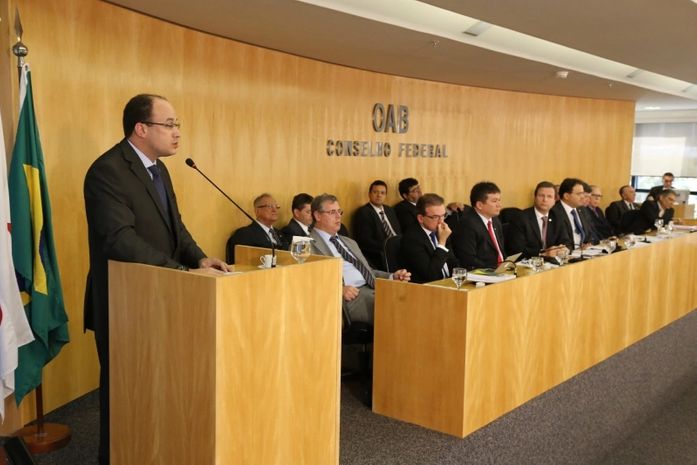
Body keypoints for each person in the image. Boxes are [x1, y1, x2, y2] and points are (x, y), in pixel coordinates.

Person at [83, 94, 230, 465]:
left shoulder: (159, 170)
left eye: (177, 125)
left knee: (160, 387)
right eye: (170, 124)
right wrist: (179, 272)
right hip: (125, 302)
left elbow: (175, 227)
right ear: (141, 128)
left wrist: (199, 258)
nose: (177, 132)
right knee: (124, 391)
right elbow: (119, 239)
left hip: (164, 298)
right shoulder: (108, 171)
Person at [309, 193, 410, 325]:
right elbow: (307, 283)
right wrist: (338, 289)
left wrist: (392, 277)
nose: (338, 216)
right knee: (396, 309)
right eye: (332, 212)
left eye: (339, 211)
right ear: (317, 216)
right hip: (349, 298)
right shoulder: (307, 245)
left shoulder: (349, 242)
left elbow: (368, 272)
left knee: (413, 299)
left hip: (373, 289)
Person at [400, 193, 459, 283]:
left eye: (443, 215)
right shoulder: (412, 239)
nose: (441, 222)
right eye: (435, 217)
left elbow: (452, 262)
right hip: (426, 287)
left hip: (448, 283)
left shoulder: (440, 230)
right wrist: (442, 243)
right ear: (420, 218)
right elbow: (431, 275)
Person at [505, 181, 570, 259]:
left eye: (549, 196)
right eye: (541, 195)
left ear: (554, 200)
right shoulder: (520, 218)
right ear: (535, 197)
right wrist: (543, 253)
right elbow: (517, 250)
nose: (545, 200)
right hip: (528, 262)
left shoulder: (557, 217)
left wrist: (564, 249)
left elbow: (566, 242)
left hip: (553, 262)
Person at [451, 182, 506, 270]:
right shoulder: (467, 225)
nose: (499, 205)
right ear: (479, 205)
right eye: (494, 201)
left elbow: (500, 250)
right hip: (482, 272)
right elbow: (469, 260)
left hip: (501, 270)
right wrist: (493, 269)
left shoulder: (495, 220)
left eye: (499, 200)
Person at [352, 180, 402, 270]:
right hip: (381, 251)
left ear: (385, 195)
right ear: (369, 194)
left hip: (398, 246)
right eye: (375, 192)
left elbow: (397, 231)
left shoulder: (390, 210)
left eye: (382, 193)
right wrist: (388, 247)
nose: (379, 195)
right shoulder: (364, 212)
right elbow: (365, 241)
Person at [225, 193, 289, 263]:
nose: (274, 210)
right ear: (257, 211)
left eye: (276, 206)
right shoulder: (244, 234)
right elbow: (241, 262)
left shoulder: (279, 233)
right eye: (269, 206)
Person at [550, 178, 593, 250]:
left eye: (583, 193)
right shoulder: (554, 212)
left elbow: (589, 234)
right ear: (566, 196)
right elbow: (560, 240)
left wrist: (588, 244)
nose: (583, 196)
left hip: (585, 252)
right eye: (579, 194)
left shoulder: (582, 210)